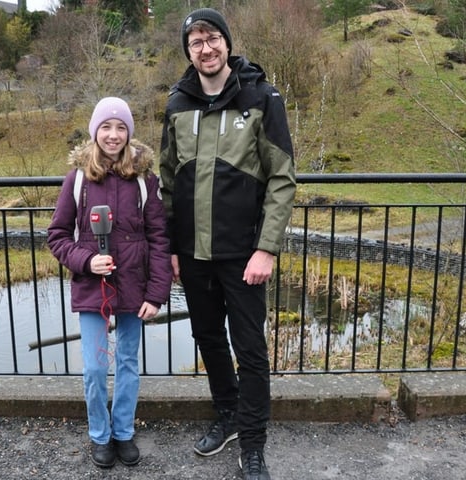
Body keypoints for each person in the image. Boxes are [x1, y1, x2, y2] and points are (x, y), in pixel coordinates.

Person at [159, 8, 296, 480]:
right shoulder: (177, 103)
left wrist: (267, 248)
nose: (205, 48)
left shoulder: (262, 96)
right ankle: (229, 414)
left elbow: (281, 179)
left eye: (212, 38)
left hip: (244, 255)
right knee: (209, 339)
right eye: (195, 41)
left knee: (251, 349)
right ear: (189, 51)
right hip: (193, 256)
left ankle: (254, 443)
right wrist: (173, 249)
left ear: (227, 43)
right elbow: (167, 182)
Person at [48, 97, 172, 469]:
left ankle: (123, 433)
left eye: (121, 128)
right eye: (106, 127)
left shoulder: (146, 180)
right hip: (92, 288)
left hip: (135, 288)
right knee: (95, 368)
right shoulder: (79, 180)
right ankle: (100, 436)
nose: (114, 135)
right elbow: (57, 236)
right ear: (95, 132)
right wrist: (87, 260)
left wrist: (157, 293)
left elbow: (159, 239)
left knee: (129, 364)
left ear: (129, 133)